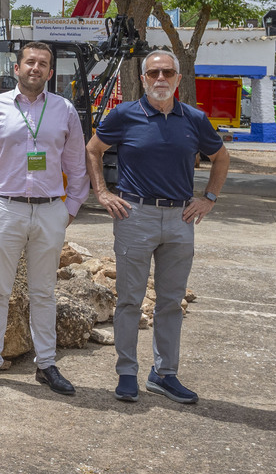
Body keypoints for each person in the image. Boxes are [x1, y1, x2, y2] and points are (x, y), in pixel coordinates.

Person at [86, 49, 230, 404]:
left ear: (179, 79)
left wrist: (208, 198)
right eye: (153, 73)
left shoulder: (194, 119)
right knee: (130, 301)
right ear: (144, 79)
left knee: (170, 302)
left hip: (181, 219)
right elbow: (93, 149)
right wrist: (102, 192)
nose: (160, 79)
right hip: (135, 217)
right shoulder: (125, 115)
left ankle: (165, 374)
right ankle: (127, 373)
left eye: (167, 72)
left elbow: (221, 157)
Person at [0, 41, 90, 395]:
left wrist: (71, 207)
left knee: (44, 292)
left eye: (43, 64)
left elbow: (77, 164)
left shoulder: (64, 110)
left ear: (50, 72)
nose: (36, 68)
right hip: (5, 208)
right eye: (30, 62)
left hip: (50, 211)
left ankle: (46, 365)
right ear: (16, 69)